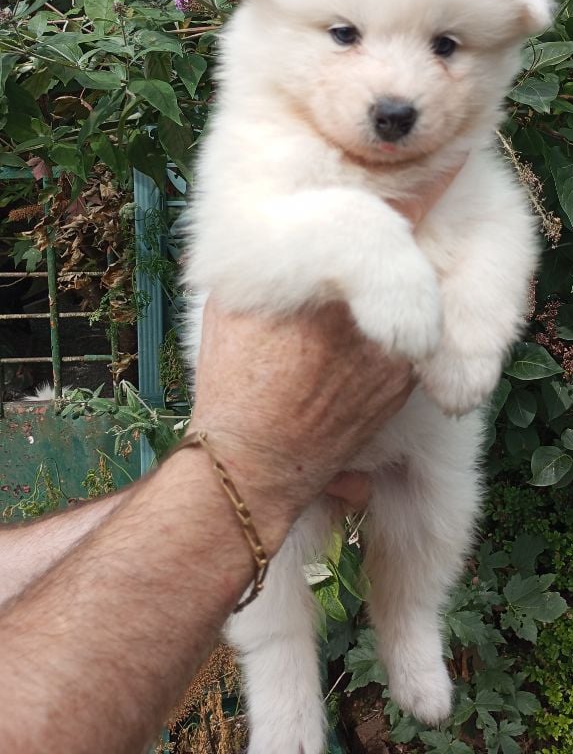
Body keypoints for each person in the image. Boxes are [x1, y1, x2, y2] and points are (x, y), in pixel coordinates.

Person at [0, 173, 459, 754]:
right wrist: (247, 463)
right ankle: (283, 701)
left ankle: (409, 625)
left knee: (420, 514)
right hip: (274, 374)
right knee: (281, 575)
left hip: (401, 430)